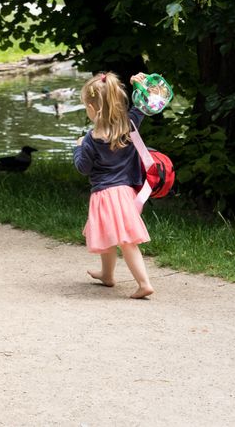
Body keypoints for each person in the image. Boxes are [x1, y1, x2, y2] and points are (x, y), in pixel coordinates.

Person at [73, 71, 155, 299]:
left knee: (124, 240)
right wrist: (142, 85)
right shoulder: (129, 125)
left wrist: (78, 147)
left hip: (104, 195)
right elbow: (147, 103)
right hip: (125, 192)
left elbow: (83, 168)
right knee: (112, 235)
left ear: (92, 109)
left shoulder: (91, 139)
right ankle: (107, 275)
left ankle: (144, 283)